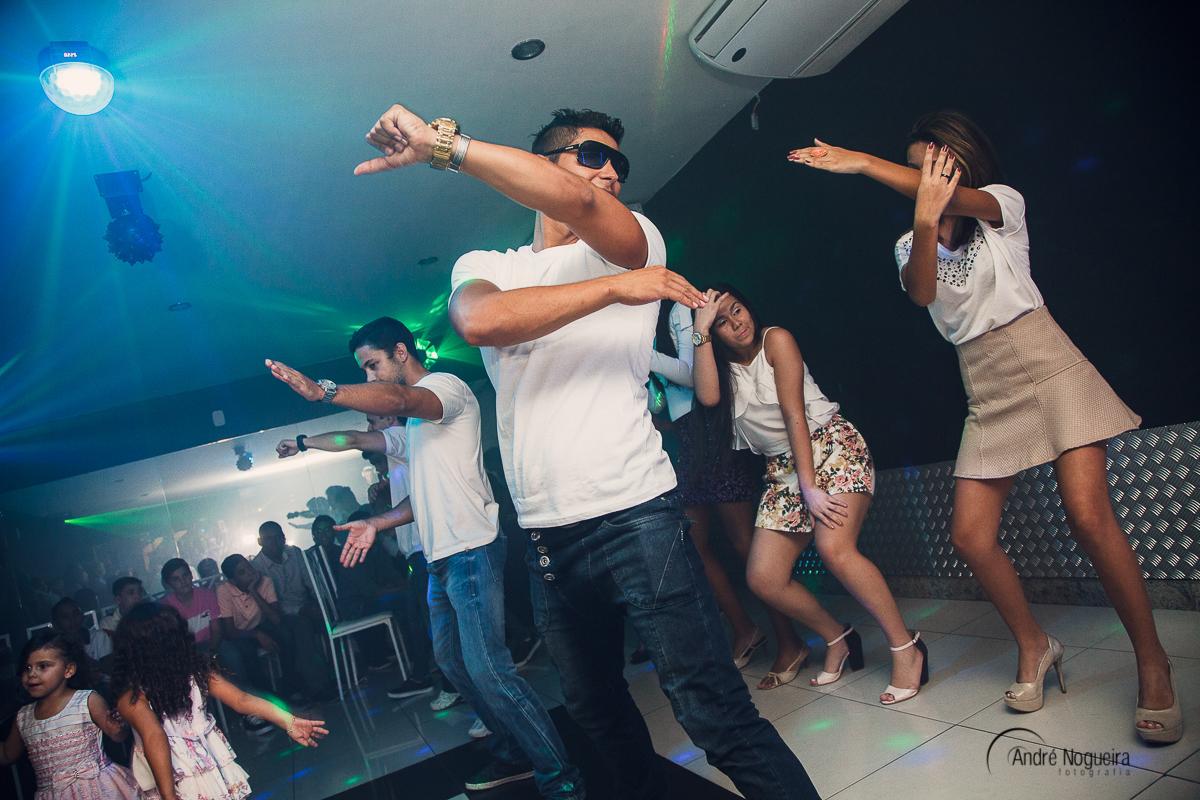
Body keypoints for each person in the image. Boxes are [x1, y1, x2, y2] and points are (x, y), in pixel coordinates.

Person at [343, 102, 815, 799]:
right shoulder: (488, 264)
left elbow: (573, 202)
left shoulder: (635, 240)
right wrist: (617, 292)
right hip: (544, 537)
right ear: (545, 161)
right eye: (592, 156)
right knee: (596, 711)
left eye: (620, 164)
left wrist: (449, 147)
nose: (611, 173)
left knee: (714, 714)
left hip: (638, 518)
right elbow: (480, 320)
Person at [789, 110, 1179, 742]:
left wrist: (860, 163)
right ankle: (1035, 644)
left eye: (936, 165)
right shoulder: (906, 243)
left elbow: (959, 199)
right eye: (916, 167)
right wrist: (921, 219)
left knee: (1087, 514)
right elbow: (921, 296)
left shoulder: (1002, 206)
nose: (925, 177)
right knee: (970, 537)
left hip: (1047, 364)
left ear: (962, 163)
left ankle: (1153, 661)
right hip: (985, 384)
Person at [267, 315, 581, 799]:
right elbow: (359, 442)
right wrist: (312, 450)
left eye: (372, 365)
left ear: (400, 351)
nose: (370, 377)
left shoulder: (445, 390)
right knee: (454, 665)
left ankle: (560, 778)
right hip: (439, 560)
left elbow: (396, 399)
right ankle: (511, 750)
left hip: (471, 549)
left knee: (489, 670)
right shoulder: (414, 430)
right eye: (363, 371)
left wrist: (323, 391)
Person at [692, 284, 927, 702]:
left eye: (738, 310)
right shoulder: (721, 369)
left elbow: (794, 415)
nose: (736, 323)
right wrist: (700, 332)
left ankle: (906, 648)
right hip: (782, 469)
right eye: (722, 322)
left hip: (829, 445)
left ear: (750, 306)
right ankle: (836, 637)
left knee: (835, 548)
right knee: (763, 577)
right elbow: (708, 396)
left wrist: (811, 487)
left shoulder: (776, 340)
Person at [651, 301, 779, 669]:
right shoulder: (638, 331)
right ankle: (745, 629)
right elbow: (661, 402)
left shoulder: (676, 310)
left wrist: (644, 357)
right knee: (694, 544)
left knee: (743, 542)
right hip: (689, 439)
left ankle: (789, 637)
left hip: (711, 425)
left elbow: (695, 375)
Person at [113, 603, 327, 799]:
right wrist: (287, 721)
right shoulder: (190, 675)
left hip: (193, 773)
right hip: (178, 773)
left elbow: (241, 699)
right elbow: (154, 736)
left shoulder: (134, 694)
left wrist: (288, 721)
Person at [0, 631, 140, 800]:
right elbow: (7, 755)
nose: (32, 674)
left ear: (69, 669)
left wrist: (117, 727)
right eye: (27, 668)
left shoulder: (86, 700)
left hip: (97, 790)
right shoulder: (23, 717)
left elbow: (117, 736)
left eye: (43, 666)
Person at [214, 555, 334, 704]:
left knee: (285, 635)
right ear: (233, 580)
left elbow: (276, 619)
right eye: (242, 572)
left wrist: (253, 591)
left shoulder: (265, 581)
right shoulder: (223, 590)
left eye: (249, 567)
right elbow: (229, 631)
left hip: (263, 624)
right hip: (241, 633)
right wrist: (257, 634)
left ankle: (292, 689)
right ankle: (267, 698)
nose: (250, 573)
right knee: (245, 650)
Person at [51, 596, 112, 680]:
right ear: (55, 624)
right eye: (65, 617)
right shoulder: (55, 648)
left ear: (83, 616)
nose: (72, 620)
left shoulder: (98, 636)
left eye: (76, 614)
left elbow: (110, 669)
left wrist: (86, 659)